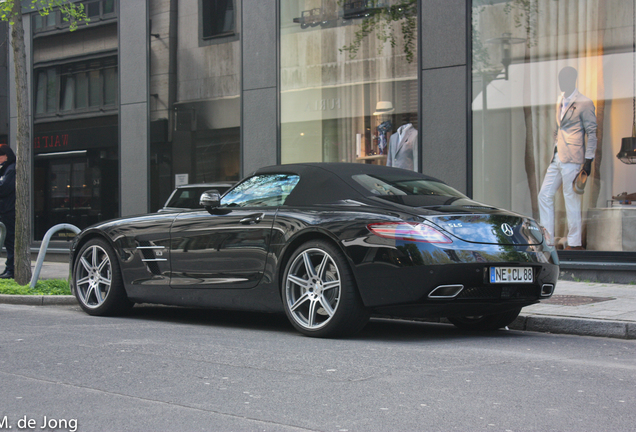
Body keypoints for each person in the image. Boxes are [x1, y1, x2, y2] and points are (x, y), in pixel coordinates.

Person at [538, 67, 597, 250]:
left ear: (574, 79)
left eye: (565, 77)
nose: (561, 81)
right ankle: (548, 240)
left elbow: (592, 133)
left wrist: (588, 160)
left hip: (573, 156)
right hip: (557, 155)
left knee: (571, 198)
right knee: (544, 195)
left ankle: (574, 242)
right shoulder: (560, 100)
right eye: (560, 78)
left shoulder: (585, 102)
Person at [0, 144, 16, 278]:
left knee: (10, 240)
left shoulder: (11, 169)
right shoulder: (6, 170)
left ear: (5, 156)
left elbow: (4, 188)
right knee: (7, 240)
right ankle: (9, 268)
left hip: (9, 210)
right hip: (6, 210)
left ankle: (11, 269)